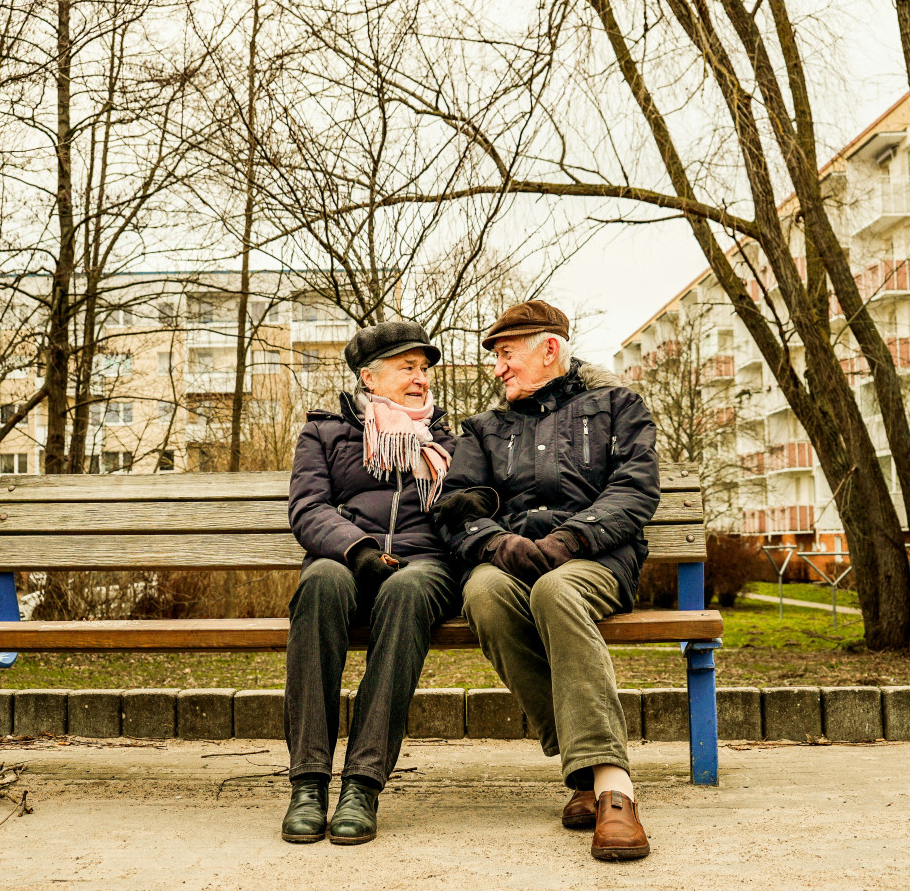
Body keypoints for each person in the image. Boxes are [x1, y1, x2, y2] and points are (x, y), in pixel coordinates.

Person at [430, 300, 660, 861]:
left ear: (549, 348)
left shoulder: (618, 407)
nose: (498, 368)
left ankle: (612, 790)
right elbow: (459, 505)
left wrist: (569, 540)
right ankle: (585, 769)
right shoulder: (484, 430)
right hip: (515, 559)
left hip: (596, 559)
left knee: (555, 591)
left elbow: (633, 492)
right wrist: (495, 543)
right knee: (482, 592)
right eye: (495, 358)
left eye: (507, 354)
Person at [282, 320, 459, 846]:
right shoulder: (324, 432)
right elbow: (307, 507)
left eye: (424, 369)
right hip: (348, 558)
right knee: (320, 584)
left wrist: (470, 504)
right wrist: (357, 549)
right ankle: (308, 782)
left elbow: (469, 506)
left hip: (423, 566)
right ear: (369, 376)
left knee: (406, 591)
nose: (421, 379)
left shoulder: (449, 439)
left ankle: (362, 783)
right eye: (408, 368)